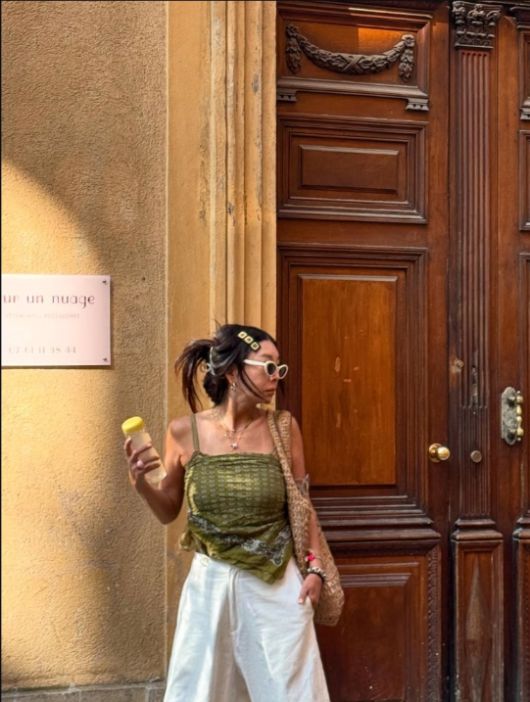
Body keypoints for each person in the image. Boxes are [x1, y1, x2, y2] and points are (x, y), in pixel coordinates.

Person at [124, 323, 331, 702]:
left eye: (280, 368)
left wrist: (314, 569)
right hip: (210, 584)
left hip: (276, 582)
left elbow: (303, 505)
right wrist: (141, 484)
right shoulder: (183, 432)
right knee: (201, 690)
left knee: (291, 691)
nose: (277, 377)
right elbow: (168, 510)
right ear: (234, 372)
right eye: (268, 366)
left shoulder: (284, 427)